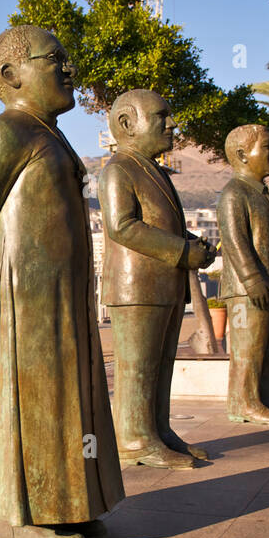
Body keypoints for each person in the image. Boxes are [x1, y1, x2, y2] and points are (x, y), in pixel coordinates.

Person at [0, 25, 124, 538]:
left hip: (59, 290)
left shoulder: (49, 133)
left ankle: (69, 503)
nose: (68, 70)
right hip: (19, 290)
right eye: (56, 59)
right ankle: (18, 515)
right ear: (12, 75)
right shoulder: (7, 131)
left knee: (67, 393)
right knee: (28, 396)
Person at [98, 90, 215, 468]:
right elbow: (122, 226)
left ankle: (158, 429)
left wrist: (193, 244)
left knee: (162, 363)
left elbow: (164, 224)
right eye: (161, 116)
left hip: (164, 284)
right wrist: (183, 252)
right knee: (139, 366)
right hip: (136, 287)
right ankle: (133, 438)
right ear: (127, 125)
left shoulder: (155, 171)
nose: (171, 124)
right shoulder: (118, 169)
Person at [218, 123, 269, 426]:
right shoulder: (233, 194)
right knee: (247, 350)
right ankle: (244, 403)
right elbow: (235, 242)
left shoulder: (261, 194)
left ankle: (263, 398)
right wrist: (253, 280)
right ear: (242, 154)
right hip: (246, 290)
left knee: (265, 348)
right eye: (267, 147)